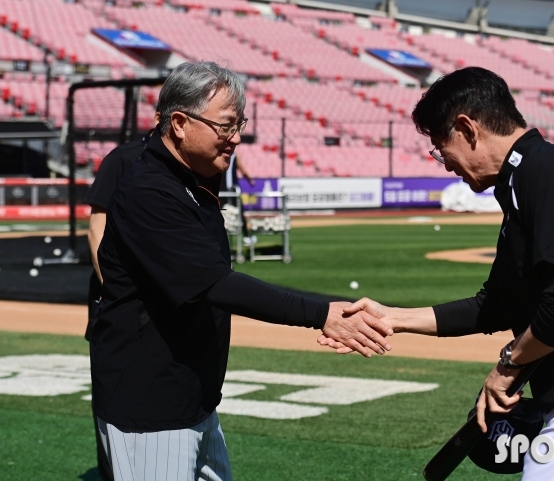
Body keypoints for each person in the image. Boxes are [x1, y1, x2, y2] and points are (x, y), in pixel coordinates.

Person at [320, 67, 554, 480]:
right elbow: (496, 305)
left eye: (440, 148)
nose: (445, 164)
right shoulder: (521, 179)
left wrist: (506, 367)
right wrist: (394, 318)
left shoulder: (546, 170)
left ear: (467, 128)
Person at [90, 61, 392, 481]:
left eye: (240, 124)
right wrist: (321, 314)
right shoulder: (149, 190)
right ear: (179, 122)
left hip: (191, 396)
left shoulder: (193, 178)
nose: (236, 138)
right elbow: (214, 284)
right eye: (226, 126)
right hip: (151, 406)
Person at [84, 134, 151, 481]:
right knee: (113, 398)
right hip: (116, 306)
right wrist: (116, 291)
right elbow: (96, 228)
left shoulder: (187, 164)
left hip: (162, 309)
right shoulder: (123, 158)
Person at [220, 152, 256, 246]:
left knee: (220, 213)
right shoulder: (234, 156)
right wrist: (250, 181)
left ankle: (219, 237)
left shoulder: (220, 155)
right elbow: (243, 171)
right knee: (240, 213)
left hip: (221, 190)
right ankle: (247, 237)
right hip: (233, 191)